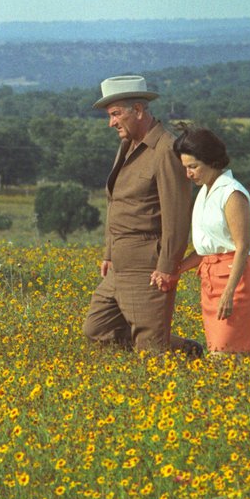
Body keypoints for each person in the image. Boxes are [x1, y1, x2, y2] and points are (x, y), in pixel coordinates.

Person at [81, 75, 198, 354]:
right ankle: (182, 349)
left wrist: (168, 267)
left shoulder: (165, 150)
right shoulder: (127, 145)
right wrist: (109, 253)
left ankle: (188, 357)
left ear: (138, 110)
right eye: (110, 116)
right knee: (97, 328)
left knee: (151, 348)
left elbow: (177, 215)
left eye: (116, 114)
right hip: (120, 262)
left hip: (148, 264)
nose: (111, 123)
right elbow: (117, 202)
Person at [172, 128, 250, 354]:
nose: (188, 174)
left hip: (234, 281)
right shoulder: (203, 192)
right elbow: (204, 249)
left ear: (211, 161)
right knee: (217, 352)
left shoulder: (232, 193)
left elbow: (242, 247)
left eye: (193, 167)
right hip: (209, 282)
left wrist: (229, 293)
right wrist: (174, 271)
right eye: (185, 168)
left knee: (227, 354)